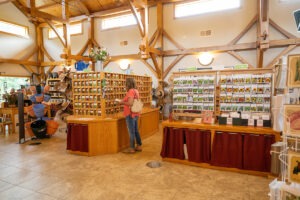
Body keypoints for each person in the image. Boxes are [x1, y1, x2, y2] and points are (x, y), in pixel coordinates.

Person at [117, 78, 142, 153]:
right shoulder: (136, 91)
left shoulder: (130, 91)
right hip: (136, 113)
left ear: (128, 84)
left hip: (130, 114)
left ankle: (131, 148)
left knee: (131, 132)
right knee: (136, 130)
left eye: (125, 83)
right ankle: (139, 146)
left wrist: (121, 102)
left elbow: (130, 103)